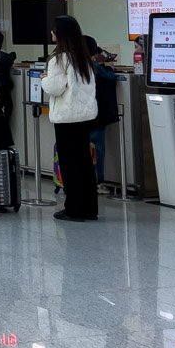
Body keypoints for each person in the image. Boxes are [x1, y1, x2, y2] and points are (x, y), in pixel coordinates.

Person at [42, 16, 100, 222]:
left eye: (54, 30)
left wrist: (44, 80)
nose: (51, 34)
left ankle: (74, 208)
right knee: (84, 162)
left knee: (69, 164)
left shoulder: (59, 59)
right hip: (84, 116)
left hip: (66, 118)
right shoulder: (83, 57)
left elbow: (55, 88)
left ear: (61, 34)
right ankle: (90, 208)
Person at [83, 36, 120, 192]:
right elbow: (111, 77)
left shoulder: (79, 64)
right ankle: (97, 180)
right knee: (97, 148)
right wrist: (109, 67)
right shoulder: (94, 66)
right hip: (96, 114)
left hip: (83, 114)